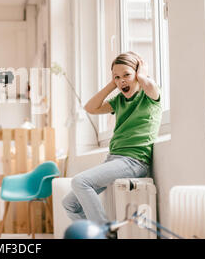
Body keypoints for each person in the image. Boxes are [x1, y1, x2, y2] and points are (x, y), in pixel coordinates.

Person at [62, 51, 162, 225]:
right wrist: (112, 84)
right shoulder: (119, 101)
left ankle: (104, 235)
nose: (122, 80)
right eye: (117, 77)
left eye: (127, 75)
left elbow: (149, 85)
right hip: (113, 160)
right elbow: (90, 108)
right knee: (70, 204)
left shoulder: (149, 96)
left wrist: (141, 75)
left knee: (80, 181)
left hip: (134, 161)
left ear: (138, 75)